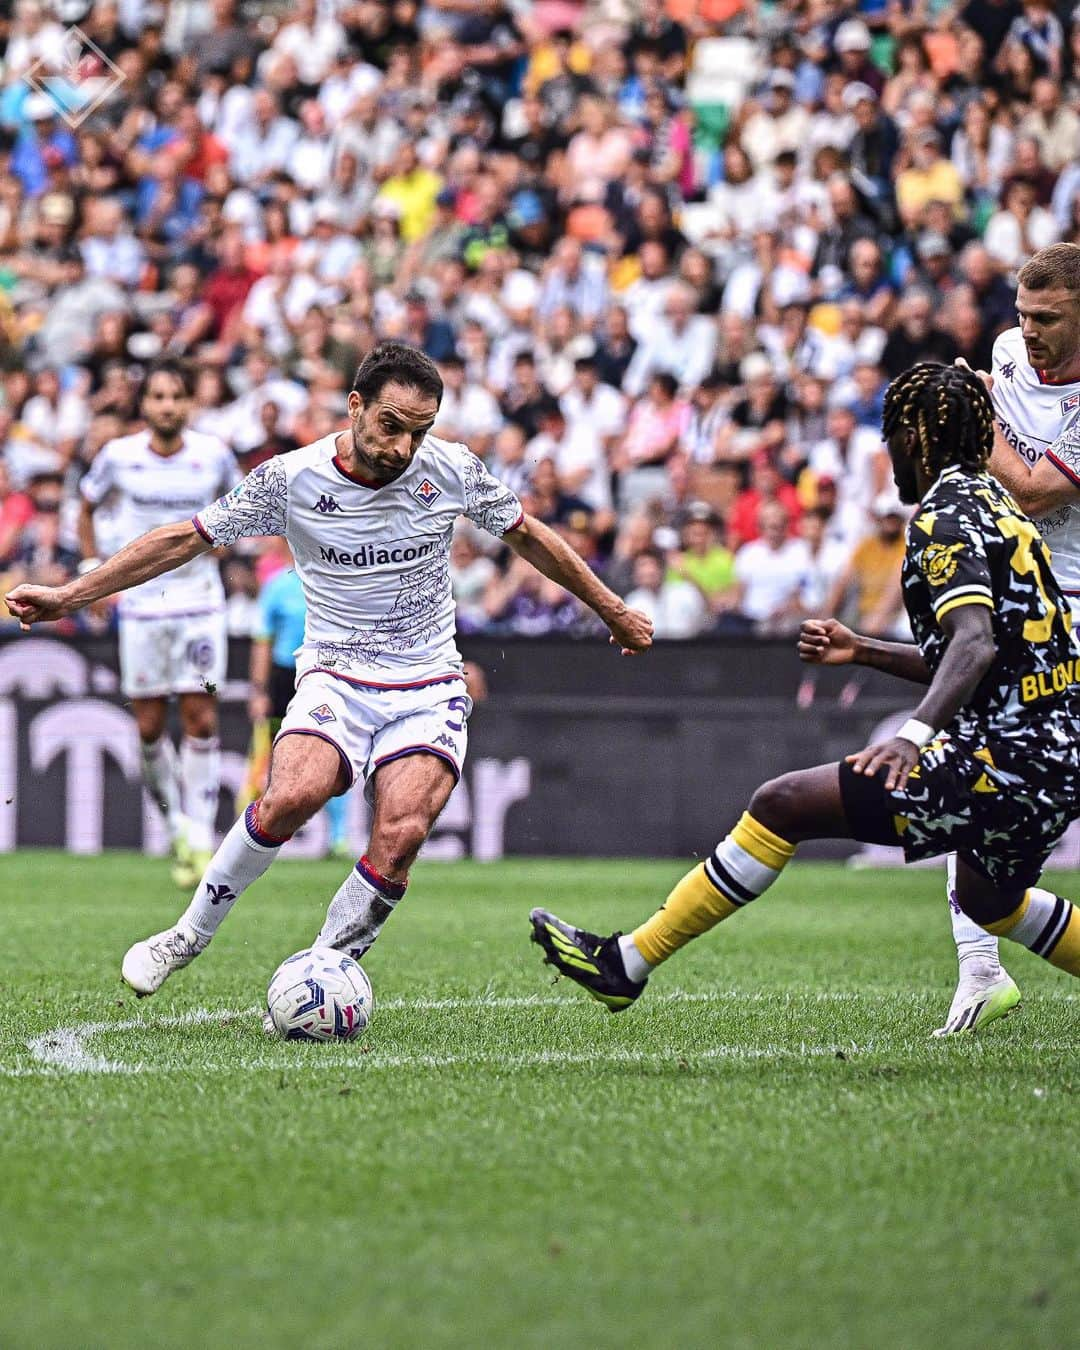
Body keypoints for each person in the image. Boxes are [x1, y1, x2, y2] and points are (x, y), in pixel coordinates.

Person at [7, 343, 653, 999]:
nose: (403, 447)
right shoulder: (290, 479)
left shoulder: (451, 469)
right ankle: (186, 936)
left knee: (399, 835)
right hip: (336, 678)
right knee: (290, 796)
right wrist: (72, 595)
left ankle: (323, 971)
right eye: (391, 425)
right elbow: (184, 538)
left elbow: (529, 535)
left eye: (419, 430)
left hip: (427, 683)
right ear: (356, 405)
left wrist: (613, 609)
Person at [529, 364, 1080, 1019]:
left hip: (1010, 758)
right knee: (991, 902)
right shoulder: (996, 505)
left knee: (782, 804)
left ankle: (627, 963)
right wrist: (864, 650)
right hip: (1058, 756)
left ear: (916, 438)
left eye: (891, 436)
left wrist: (912, 736)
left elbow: (974, 645)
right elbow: (983, 656)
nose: (886, 453)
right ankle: (625, 964)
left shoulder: (945, 515)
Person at [935, 241, 1080, 1032]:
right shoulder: (1004, 354)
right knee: (969, 773)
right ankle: (980, 973)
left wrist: (974, 418)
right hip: (1019, 597)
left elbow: (1031, 491)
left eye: (1049, 319)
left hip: (1078, 615)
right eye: (1023, 315)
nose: (1028, 332)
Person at [76, 358, 239, 887]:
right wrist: (90, 571)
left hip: (200, 603)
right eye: (158, 397)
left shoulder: (213, 455)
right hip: (142, 603)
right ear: (144, 405)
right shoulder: (118, 457)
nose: (167, 406)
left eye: (176, 396)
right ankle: (175, 825)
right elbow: (85, 506)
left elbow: (242, 507)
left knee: (201, 719)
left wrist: (224, 546)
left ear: (190, 402)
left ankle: (199, 836)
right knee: (147, 726)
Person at [245, 535, 350, 859]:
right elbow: (263, 640)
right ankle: (265, 832)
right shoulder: (277, 586)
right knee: (274, 753)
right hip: (284, 675)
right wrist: (259, 691)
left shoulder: (333, 580)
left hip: (322, 674)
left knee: (334, 754)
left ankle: (337, 837)